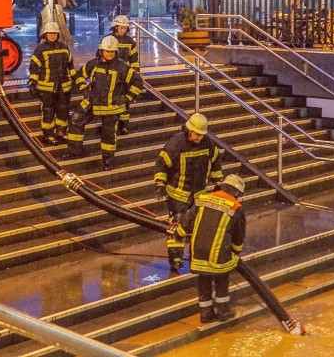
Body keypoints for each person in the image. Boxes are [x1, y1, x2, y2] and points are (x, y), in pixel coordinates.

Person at [154, 113, 225, 272]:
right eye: (197, 135)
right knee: (177, 226)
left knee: (198, 228)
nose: (199, 138)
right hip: (178, 195)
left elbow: (215, 164)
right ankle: (175, 259)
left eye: (202, 135)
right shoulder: (176, 144)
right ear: (189, 131)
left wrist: (219, 182)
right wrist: (160, 183)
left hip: (199, 195)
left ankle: (196, 257)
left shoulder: (208, 143)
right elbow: (161, 165)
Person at [173, 173, 247, 324]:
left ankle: (206, 313)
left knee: (204, 279)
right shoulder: (236, 207)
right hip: (219, 253)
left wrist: (178, 234)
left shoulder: (203, 198)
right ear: (237, 192)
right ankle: (223, 311)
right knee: (221, 280)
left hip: (199, 249)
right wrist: (235, 251)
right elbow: (238, 235)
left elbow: (188, 220)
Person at [65, 35, 144, 170]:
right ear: (101, 51)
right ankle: (75, 152)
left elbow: (138, 81)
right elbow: (79, 75)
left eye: (112, 52)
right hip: (93, 102)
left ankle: (108, 161)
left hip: (111, 106)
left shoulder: (122, 67)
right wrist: (84, 89)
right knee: (75, 120)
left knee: (108, 135)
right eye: (107, 51)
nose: (110, 54)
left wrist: (127, 98)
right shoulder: (93, 64)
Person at [28, 21, 76, 146]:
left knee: (63, 110)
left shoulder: (64, 48)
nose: (52, 35)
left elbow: (70, 65)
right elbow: (34, 68)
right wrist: (32, 83)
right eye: (50, 33)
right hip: (47, 87)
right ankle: (48, 135)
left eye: (54, 33)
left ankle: (61, 132)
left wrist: (75, 79)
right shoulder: (40, 49)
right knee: (48, 111)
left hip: (63, 86)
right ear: (45, 34)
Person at [100, 14, 139, 135]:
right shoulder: (107, 40)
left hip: (125, 77)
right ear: (115, 27)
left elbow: (134, 60)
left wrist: (135, 75)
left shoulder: (130, 42)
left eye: (124, 28)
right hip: (110, 76)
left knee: (125, 103)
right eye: (120, 28)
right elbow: (99, 58)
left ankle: (123, 126)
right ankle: (111, 126)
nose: (122, 30)